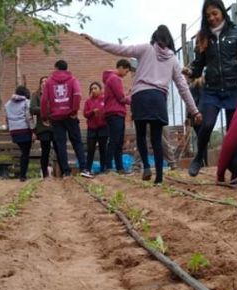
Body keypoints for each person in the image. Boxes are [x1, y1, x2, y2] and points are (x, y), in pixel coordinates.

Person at [82, 26, 202, 184]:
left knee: (141, 135)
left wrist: (94, 41)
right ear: (169, 40)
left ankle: (146, 166)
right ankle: (159, 177)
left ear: (154, 37)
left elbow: (119, 49)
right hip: (158, 98)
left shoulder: (146, 48)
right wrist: (194, 111)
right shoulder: (173, 59)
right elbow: (183, 87)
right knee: (156, 138)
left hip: (140, 96)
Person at [186, 0, 237, 177]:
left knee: (233, 131)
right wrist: (190, 71)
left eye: (215, 14)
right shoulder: (203, 37)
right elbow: (198, 66)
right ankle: (199, 157)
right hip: (212, 89)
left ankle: (235, 169)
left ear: (222, 12)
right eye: (208, 15)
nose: (212, 18)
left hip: (234, 89)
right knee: (207, 124)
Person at [41, 60, 92, 178]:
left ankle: (66, 172)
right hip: (70, 116)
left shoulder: (49, 82)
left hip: (56, 118)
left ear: (56, 68)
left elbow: (44, 100)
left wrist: (44, 116)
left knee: (61, 144)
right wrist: (74, 111)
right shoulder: (73, 80)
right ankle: (83, 168)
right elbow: (77, 95)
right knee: (77, 142)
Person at [102, 59, 133, 173]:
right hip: (115, 113)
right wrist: (131, 98)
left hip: (115, 113)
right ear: (121, 67)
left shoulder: (111, 78)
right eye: (126, 71)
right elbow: (121, 98)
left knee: (118, 141)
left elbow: (118, 96)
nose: (126, 74)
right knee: (115, 141)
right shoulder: (115, 79)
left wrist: (126, 96)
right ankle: (109, 166)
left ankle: (119, 167)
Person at [5, 85, 34, 182]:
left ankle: (22, 174)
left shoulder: (8, 104)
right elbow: (28, 117)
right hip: (24, 130)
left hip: (14, 131)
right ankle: (23, 175)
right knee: (25, 153)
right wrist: (33, 130)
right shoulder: (26, 102)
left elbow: (7, 119)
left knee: (23, 152)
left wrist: (9, 129)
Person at [30, 76, 54, 178]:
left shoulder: (54, 94)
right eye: (42, 81)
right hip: (43, 128)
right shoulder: (36, 95)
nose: (44, 83)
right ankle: (45, 173)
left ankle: (61, 172)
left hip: (55, 126)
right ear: (40, 84)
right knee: (45, 150)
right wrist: (46, 109)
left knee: (58, 149)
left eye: (46, 81)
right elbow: (32, 109)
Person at [83, 82, 109, 174]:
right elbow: (85, 113)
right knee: (90, 149)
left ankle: (103, 169)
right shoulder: (88, 101)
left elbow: (108, 111)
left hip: (103, 128)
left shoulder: (105, 100)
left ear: (100, 90)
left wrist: (103, 113)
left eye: (95, 88)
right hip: (91, 129)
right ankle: (87, 169)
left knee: (103, 149)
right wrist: (92, 112)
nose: (93, 90)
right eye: (92, 89)